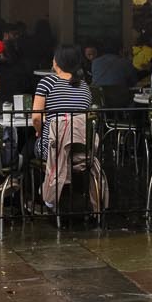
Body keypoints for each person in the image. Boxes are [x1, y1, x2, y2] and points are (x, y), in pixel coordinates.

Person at [32, 44, 95, 210]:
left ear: (57, 62)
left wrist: (39, 133)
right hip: (80, 151)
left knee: (26, 150)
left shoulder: (47, 82)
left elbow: (36, 117)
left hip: (54, 149)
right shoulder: (84, 87)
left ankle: (40, 197)